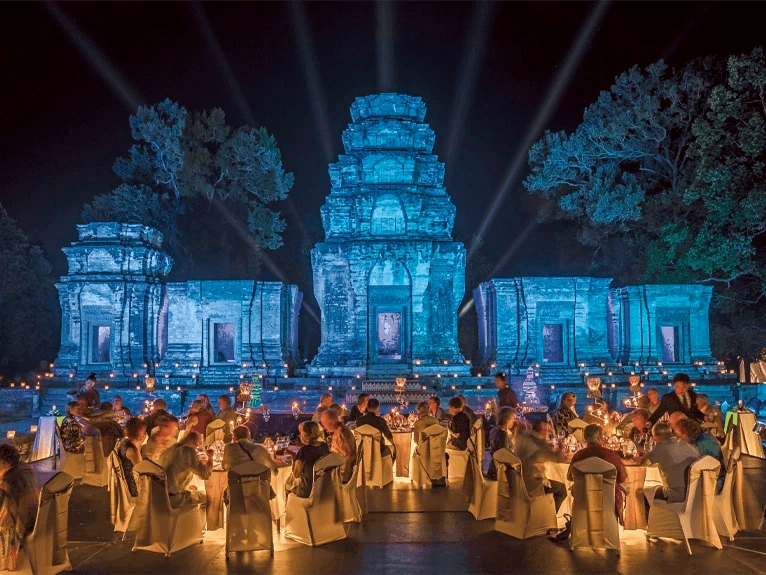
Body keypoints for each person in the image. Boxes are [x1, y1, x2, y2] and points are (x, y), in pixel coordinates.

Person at [567, 424, 628, 524]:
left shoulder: (578, 456)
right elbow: (621, 477)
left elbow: (570, 477)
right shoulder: (610, 455)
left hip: (584, 496)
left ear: (585, 438)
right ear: (599, 438)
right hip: (607, 497)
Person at [513, 420, 567, 511]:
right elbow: (557, 459)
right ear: (542, 430)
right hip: (533, 484)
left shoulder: (523, 437)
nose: (549, 434)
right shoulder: (538, 443)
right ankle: (548, 516)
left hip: (517, 479)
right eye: (548, 431)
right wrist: (561, 448)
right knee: (562, 489)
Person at [639, 422, 699, 503]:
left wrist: (644, 455)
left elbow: (643, 463)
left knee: (641, 493)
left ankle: (652, 515)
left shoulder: (661, 447)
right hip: (695, 492)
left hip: (676, 494)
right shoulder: (684, 444)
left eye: (653, 437)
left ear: (656, 436)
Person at [0, 444, 38, 571]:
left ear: (2, 463)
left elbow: (4, 518)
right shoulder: (25, 471)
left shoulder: (8, 483)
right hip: (34, 523)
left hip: (20, 530)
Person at [161, 431, 213, 508]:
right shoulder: (188, 451)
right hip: (174, 499)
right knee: (208, 498)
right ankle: (200, 520)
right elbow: (205, 475)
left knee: (194, 490)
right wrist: (210, 457)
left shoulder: (171, 449)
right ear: (196, 443)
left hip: (162, 496)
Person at [676, 417, 725, 491]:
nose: (678, 437)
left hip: (710, 484)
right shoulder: (708, 437)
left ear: (685, 433)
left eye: (678, 434)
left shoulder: (693, 446)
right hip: (721, 478)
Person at [287, 421, 330, 498]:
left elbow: (296, 474)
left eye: (301, 433)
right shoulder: (325, 446)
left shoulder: (304, 451)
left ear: (306, 435)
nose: (300, 435)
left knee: (287, 488)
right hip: (324, 488)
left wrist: (294, 458)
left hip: (308, 491)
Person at [320, 410, 357, 483]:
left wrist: (345, 477)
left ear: (331, 422)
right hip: (340, 468)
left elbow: (350, 456)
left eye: (324, 425)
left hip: (341, 474)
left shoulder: (340, 435)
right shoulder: (342, 428)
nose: (324, 428)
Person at [116, 418, 147, 497]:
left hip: (125, 481)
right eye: (143, 431)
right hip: (133, 487)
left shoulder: (123, 442)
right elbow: (142, 472)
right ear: (138, 432)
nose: (145, 433)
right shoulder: (132, 451)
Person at [487, 407, 517, 480]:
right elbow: (504, 457)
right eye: (513, 418)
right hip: (499, 472)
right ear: (508, 419)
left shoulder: (494, 430)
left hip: (492, 469)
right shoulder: (503, 435)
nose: (514, 420)